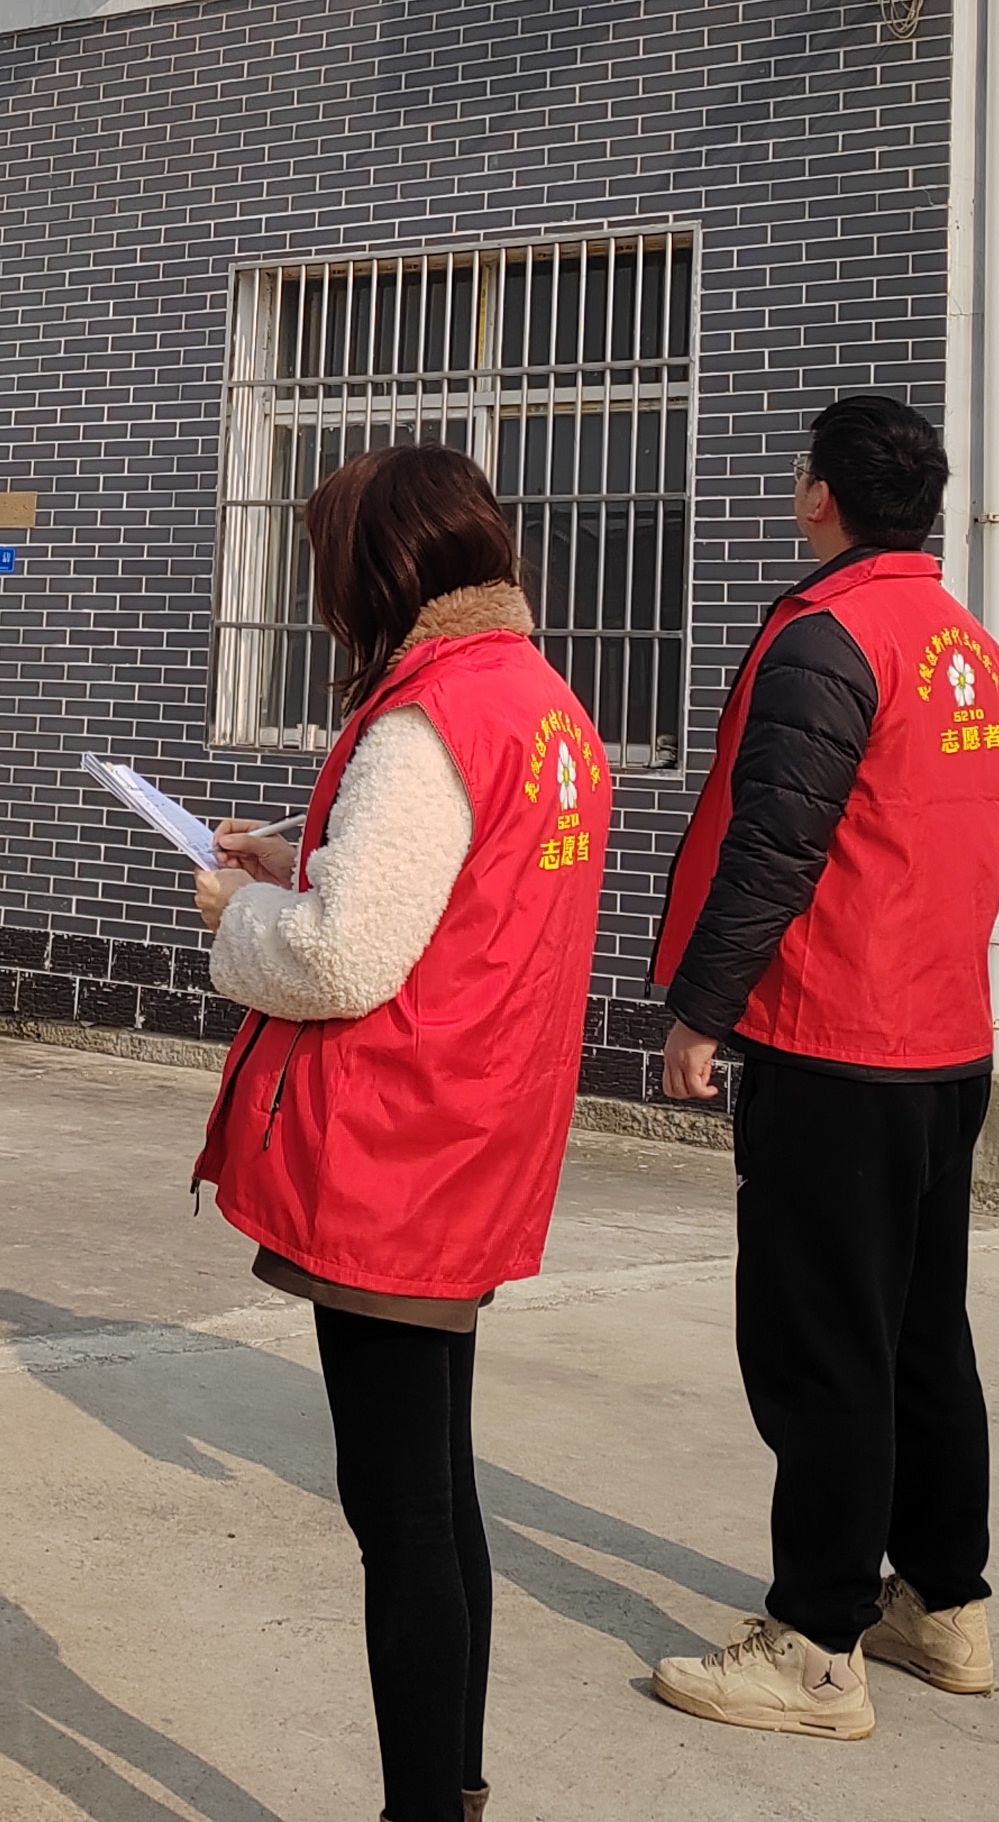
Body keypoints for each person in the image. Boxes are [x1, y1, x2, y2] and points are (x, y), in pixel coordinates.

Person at [188, 443, 614, 1822]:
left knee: (402, 1518)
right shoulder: (538, 700)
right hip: (476, 1136)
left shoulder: (425, 721)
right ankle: (456, 1788)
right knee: (440, 1493)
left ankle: (423, 1809)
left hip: (395, 1152)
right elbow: (453, 891)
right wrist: (296, 859)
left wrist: (241, 914)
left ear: (379, 570)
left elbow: (339, 958)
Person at [641, 393, 999, 1745]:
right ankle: (943, 1604)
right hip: (943, 1044)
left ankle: (814, 1646)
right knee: (919, 1333)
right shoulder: (967, 646)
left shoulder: (830, 638)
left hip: (841, 1044)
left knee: (822, 1349)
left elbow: (775, 849)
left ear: (821, 497)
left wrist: (701, 1012)